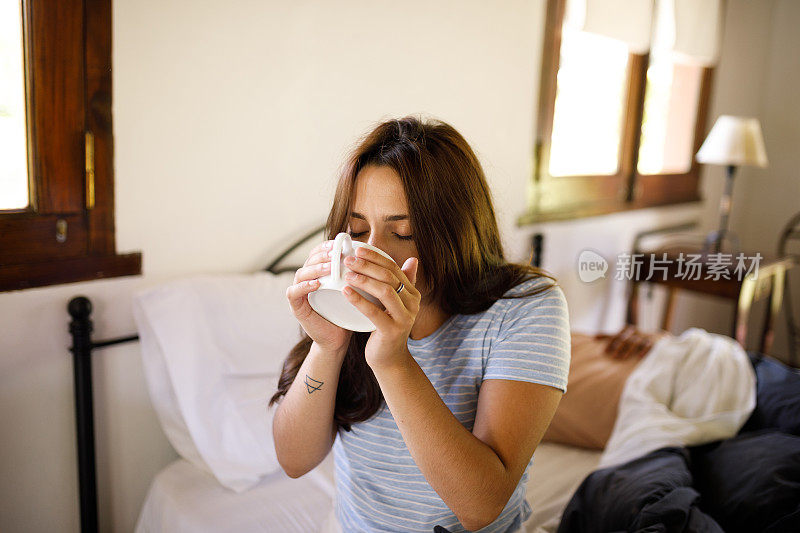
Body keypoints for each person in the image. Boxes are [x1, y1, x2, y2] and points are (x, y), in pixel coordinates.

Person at [269, 116, 571, 532]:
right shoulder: (341, 313)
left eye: (404, 233)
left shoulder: (525, 308)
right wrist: (326, 347)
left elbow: (481, 507)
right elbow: (293, 460)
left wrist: (393, 361)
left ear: (456, 233)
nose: (369, 253)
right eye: (357, 230)